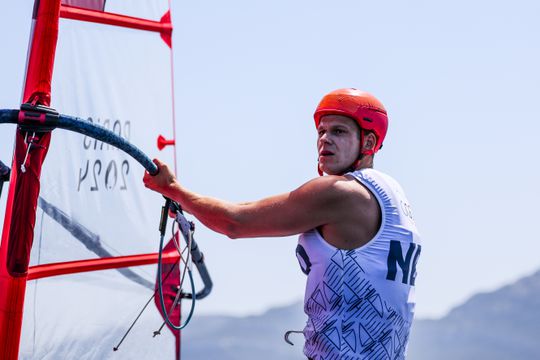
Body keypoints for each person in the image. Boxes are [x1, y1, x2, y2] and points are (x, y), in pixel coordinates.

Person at [143, 88, 421, 359]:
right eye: (321, 131)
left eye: (338, 131)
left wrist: (173, 190)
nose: (325, 139)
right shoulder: (394, 195)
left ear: (369, 143)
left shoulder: (341, 193)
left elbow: (235, 222)